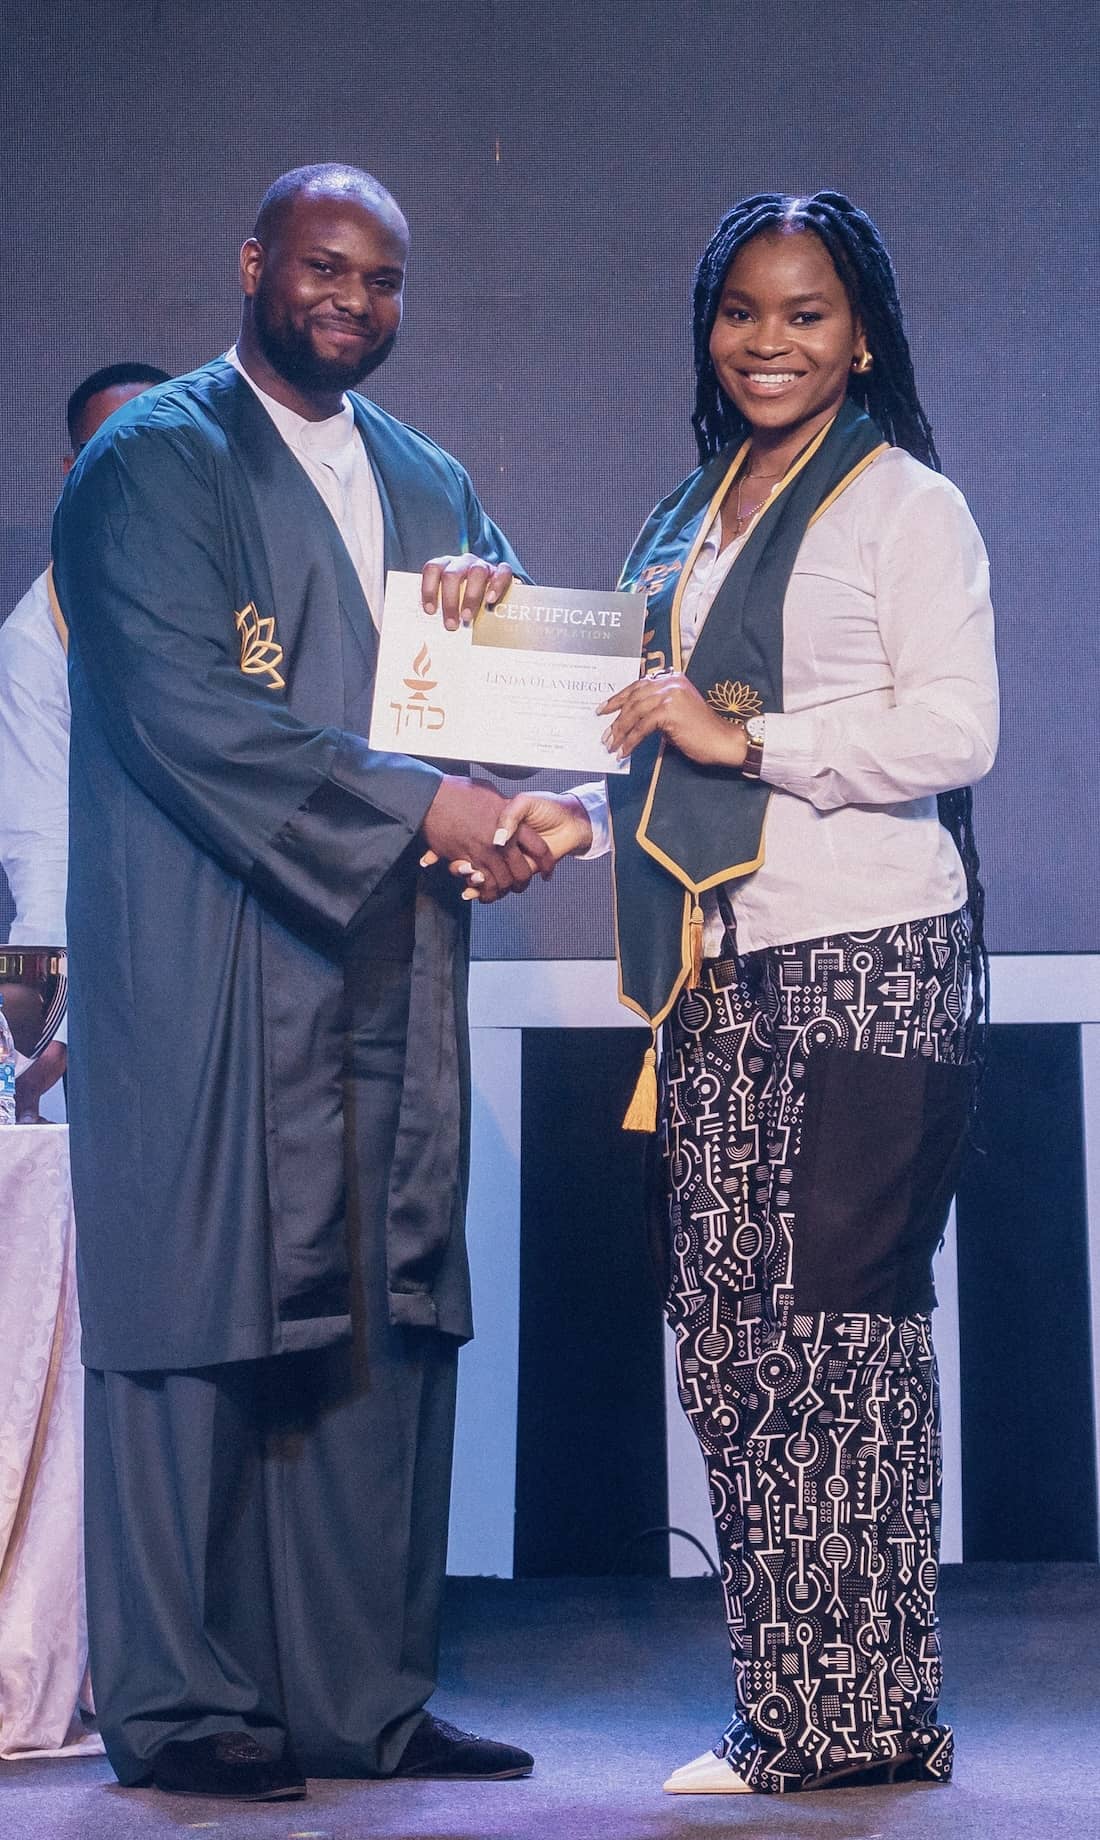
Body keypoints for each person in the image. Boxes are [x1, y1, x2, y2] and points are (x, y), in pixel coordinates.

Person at [485, 190, 998, 1793]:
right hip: (711, 968)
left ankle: (855, 1717)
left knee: (839, 1337)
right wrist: (553, 780)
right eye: (743, 314)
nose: (771, 344)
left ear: (862, 336)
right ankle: (812, 1708)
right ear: (710, 331)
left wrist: (748, 736)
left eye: (808, 315)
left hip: (864, 958)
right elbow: (629, 732)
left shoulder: (907, 506)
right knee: (729, 1341)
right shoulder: (683, 519)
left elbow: (955, 732)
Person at [51, 163, 550, 1803]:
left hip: (378, 968)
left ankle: (362, 1701)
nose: (352, 298)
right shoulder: (150, 465)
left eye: (383, 279)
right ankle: (188, 1705)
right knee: (194, 1314)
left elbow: (510, 698)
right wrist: (433, 805)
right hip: (207, 960)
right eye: (326, 265)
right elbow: (195, 715)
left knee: (376, 1322)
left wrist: (521, 775)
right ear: (254, 259)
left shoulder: (433, 482)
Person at [0, 363, 169, 1119]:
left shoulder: (259, 583)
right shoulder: (39, 638)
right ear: (73, 471)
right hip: (126, 956)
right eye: (109, 453)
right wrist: (36, 1032)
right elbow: (41, 843)